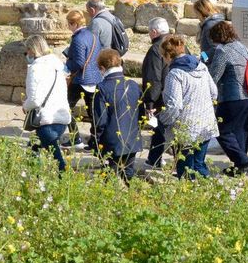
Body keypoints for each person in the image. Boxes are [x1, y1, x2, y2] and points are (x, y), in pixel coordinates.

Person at [159, 34, 218, 178]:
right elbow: (214, 93)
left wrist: (162, 119)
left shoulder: (175, 74)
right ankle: (206, 192)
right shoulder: (202, 67)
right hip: (206, 124)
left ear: (168, 55)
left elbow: (174, 105)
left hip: (186, 128)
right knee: (199, 163)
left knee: (185, 167)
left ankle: (189, 195)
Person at [205, 20, 248, 176]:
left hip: (231, 97)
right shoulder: (243, 48)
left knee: (221, 131)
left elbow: (214, 76)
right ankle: (239, 168)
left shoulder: (223, 51)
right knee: (241, 132)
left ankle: (242, 160)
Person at [92, 48, 144, 180]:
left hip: (112, 140)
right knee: (128, 174)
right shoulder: (133, 85)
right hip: (132, 138)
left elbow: (100, 120)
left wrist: (96, 140)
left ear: (102, 68)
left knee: (110, 176)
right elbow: (141, 113)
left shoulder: (102, 88)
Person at [22, 35, 71, 172]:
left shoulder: (35, 68)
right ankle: (32, 180)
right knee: (33, 150)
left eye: (26, 52)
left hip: (46, 119)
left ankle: (63, 183)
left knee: (57, 161)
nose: (26, 55)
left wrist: (25, 106)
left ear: (32, 50)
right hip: (61, 117)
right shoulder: (57, 64)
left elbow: (35, 99)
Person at [63, 9, 102, 144]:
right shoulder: (93, 36)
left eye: (69, 23)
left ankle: (75, 139)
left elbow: (79, 62)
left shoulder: (78, 39)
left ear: (74, 23)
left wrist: (67, 64)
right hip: (94, 77)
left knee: (65, 107)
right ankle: (96, 140)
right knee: (93, 112)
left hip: (81, 79)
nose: (68, 27)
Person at [140, 17, 172, 170]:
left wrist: (150, 102)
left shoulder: (156, 49)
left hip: (161, 95)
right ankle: (156, 159)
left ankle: (155, 159)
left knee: (160, 129)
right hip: (176, 92)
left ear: (154, 32)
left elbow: (153, 77)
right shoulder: (178, 43)